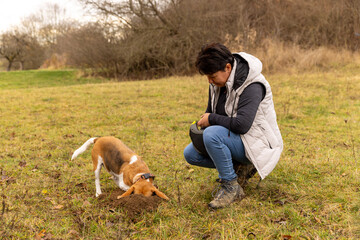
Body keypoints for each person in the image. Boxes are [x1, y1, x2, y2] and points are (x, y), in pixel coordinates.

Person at [183, 43, 283, 209]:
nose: (210, 81)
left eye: (212, 76)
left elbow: (242, 125)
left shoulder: (253, 85)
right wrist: (202, 127)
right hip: (236, 139)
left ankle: (231, 187)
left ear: (227, 67)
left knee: (212, 135)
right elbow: (211, 112)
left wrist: (211, 120)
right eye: (207, 77)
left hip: (258, 144)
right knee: (191, 153)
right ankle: (239, 169)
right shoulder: (217, 84)